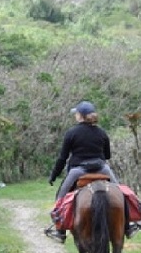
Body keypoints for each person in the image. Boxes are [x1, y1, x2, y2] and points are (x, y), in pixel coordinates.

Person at [43, 100, 118, 243]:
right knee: (120, 192)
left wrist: (54, 175)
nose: (75, 116)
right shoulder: (102, 133)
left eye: (76, 113)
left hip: (79, 170)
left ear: (80, 116)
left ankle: (60, 231)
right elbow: (107, 156)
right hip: (102, 168)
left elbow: (62, 158)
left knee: (60, 198)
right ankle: (127, 225)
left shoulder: (71, 133)